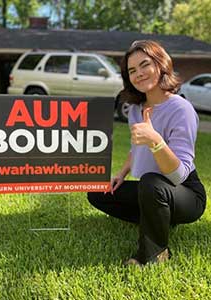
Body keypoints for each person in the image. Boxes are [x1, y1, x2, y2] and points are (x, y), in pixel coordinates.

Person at [87, 40, 206, 266]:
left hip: (185, 193)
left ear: (161, 65)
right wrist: (121, 175)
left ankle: (154, 254)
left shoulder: (181, 109)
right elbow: (135, 148)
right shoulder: (135, 109)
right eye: (132, 70)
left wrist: (156, 141)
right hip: (152, 190)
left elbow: (179, 175)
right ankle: (158, 218)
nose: (139, 74)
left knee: (152, 183)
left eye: (144, 65)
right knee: (97, 193)